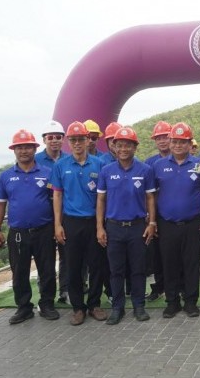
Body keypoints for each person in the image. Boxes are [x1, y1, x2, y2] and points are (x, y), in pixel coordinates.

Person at [0, 129, 59, 324]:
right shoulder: (5, 176)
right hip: (18, 232)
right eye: (19, 147)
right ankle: (24, 308)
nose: (24, 151)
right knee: (19, 271)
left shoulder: (47, 173)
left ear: (35, 149)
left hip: (44, 230)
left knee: (47, 270)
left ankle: (47, 304)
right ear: (14, 150)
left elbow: (56, 201)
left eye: (28, 147)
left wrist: (57, 226)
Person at [152, 122, 200, 318]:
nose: (178, 145)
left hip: (193, 223)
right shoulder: (158, 166)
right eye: (175, 141)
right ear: (170, 143)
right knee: (169, 263)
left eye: (183, 142)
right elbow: (152, 195)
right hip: (167, 223)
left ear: (189, 144)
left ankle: (190, 301)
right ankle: (172, 302)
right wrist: (152, 220)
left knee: (191, 263)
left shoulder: (199, 165)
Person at [96, 127, 156, 324]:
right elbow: (101, 200)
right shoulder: (106, 171)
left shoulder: (145, 170)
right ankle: (117, 307)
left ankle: (139, 306)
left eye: (127, 145)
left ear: (135, 147)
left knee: (138, 269)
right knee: (116, 270)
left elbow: (150, 198)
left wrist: (152, 222)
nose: (123, 149)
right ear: (114, 147)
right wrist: (99, 227)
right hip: (113, 227)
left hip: (137, 226)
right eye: (119, 145)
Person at [50, 121, 108, 326]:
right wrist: (58, 225)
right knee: (73, 267)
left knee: (96, 265)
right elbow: (57, 196)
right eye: (73, 140)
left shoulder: (99, 164)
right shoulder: (61, 165)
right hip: (71, 222)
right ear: (68, 141)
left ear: (87, 140)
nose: (77, 143)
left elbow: (103, 197)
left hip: (93, 221)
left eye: (80, 139)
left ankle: (94, 304)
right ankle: (77, 308)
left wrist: (100, 226)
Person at [34, 119, 69, 304]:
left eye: (58, 137)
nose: (54, 140)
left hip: (66, 214)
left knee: (66, 255)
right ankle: (45, 295)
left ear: (63, 139)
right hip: (44, 216)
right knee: (45, 258)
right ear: (44, 139)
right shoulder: (36, 160)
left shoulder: (69, 159)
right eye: (50, 137)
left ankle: (65, 290)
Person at [144, 120, 172, 301]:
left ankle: (179, 286)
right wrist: (149, 216)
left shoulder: (180, 158)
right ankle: (159, 286)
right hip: (156, 215)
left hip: (173, 216)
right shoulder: (150, 163)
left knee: (175, 254)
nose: (162, 141)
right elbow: (147, 193)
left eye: (165, 137)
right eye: (158, 138)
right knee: (156, 254)